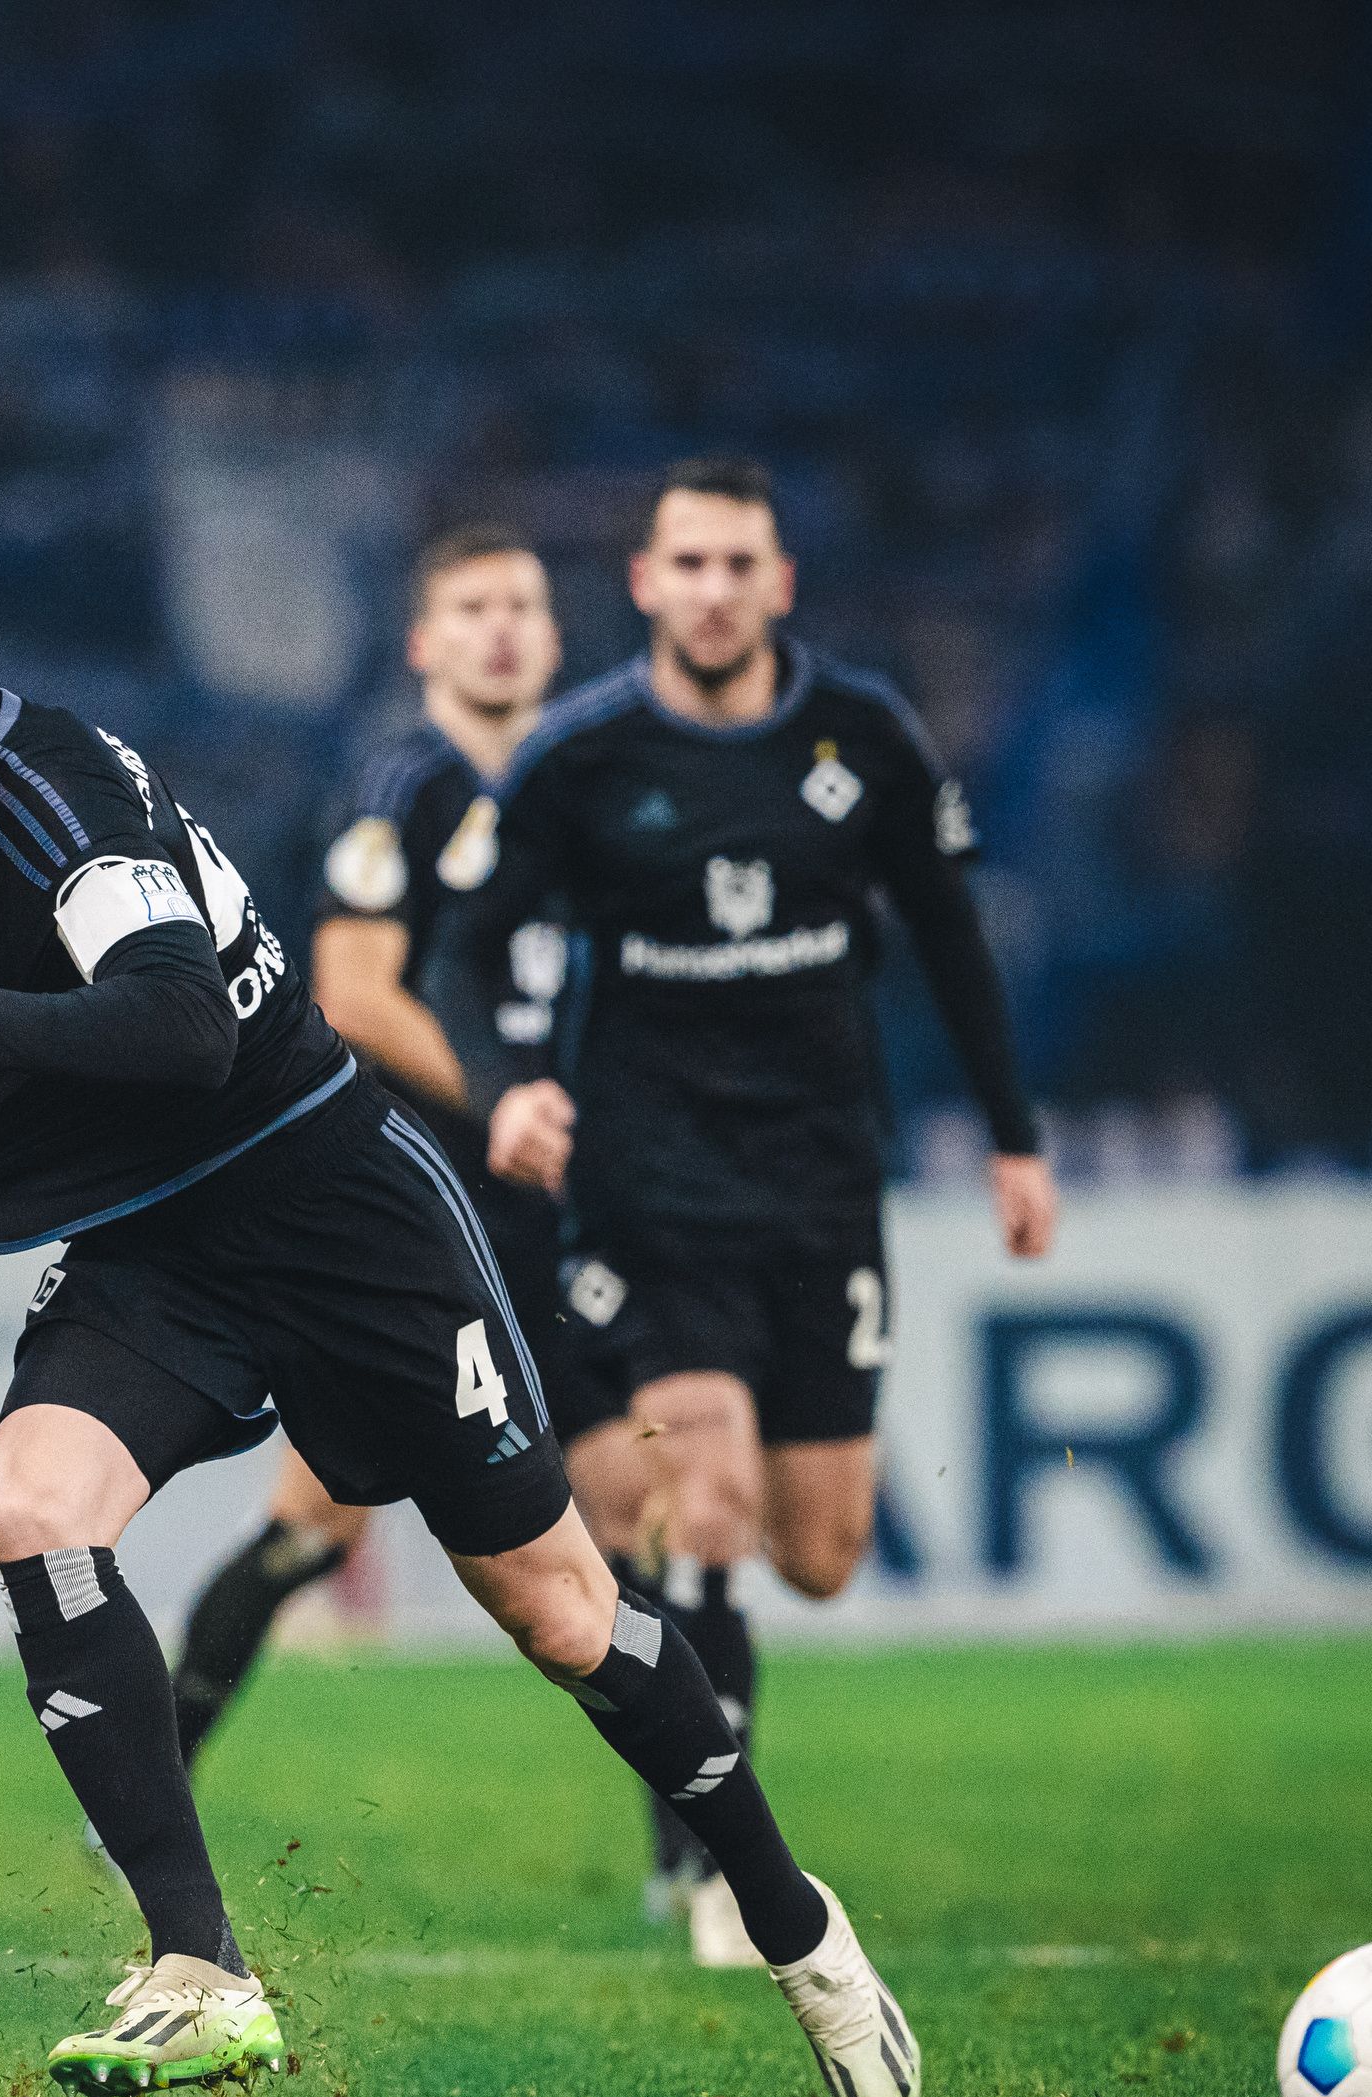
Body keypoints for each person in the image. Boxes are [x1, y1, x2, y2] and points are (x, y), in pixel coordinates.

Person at [0, 598, 920, 2097]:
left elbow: (177, 1033)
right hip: (156, 1248)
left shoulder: (62, 805)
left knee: (558, 1612)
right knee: (33, 1509)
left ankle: (797, 1930)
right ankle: (200, 1970)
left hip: (333, 1202)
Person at [445, 456, 1057, 1963]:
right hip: (652, 1191)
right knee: (695, 1495)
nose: (713, 590)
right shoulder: (584, 758)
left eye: (740, 565)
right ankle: (727, 1871)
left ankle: (697, 1786)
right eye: (688, 565)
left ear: (779, 586)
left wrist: (1015, 1141)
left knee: (821, 1547)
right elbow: (468, 952)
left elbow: (953, 942)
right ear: (646, 584)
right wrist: (509, 1080)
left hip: (824, 1189)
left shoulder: (867, 740)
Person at [166, 527, 650, 1779]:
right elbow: (352, 990)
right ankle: (146, 1791)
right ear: (425, 642)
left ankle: (693, 1864)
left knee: (630, 1515)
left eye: (524, 606)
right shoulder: (401, 786)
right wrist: (493, 1102)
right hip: (419, 1209)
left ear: (552, 637)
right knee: (309, 1528)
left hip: (553, 1208)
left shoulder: (582, 792)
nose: (501, 626)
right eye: (473, 605)